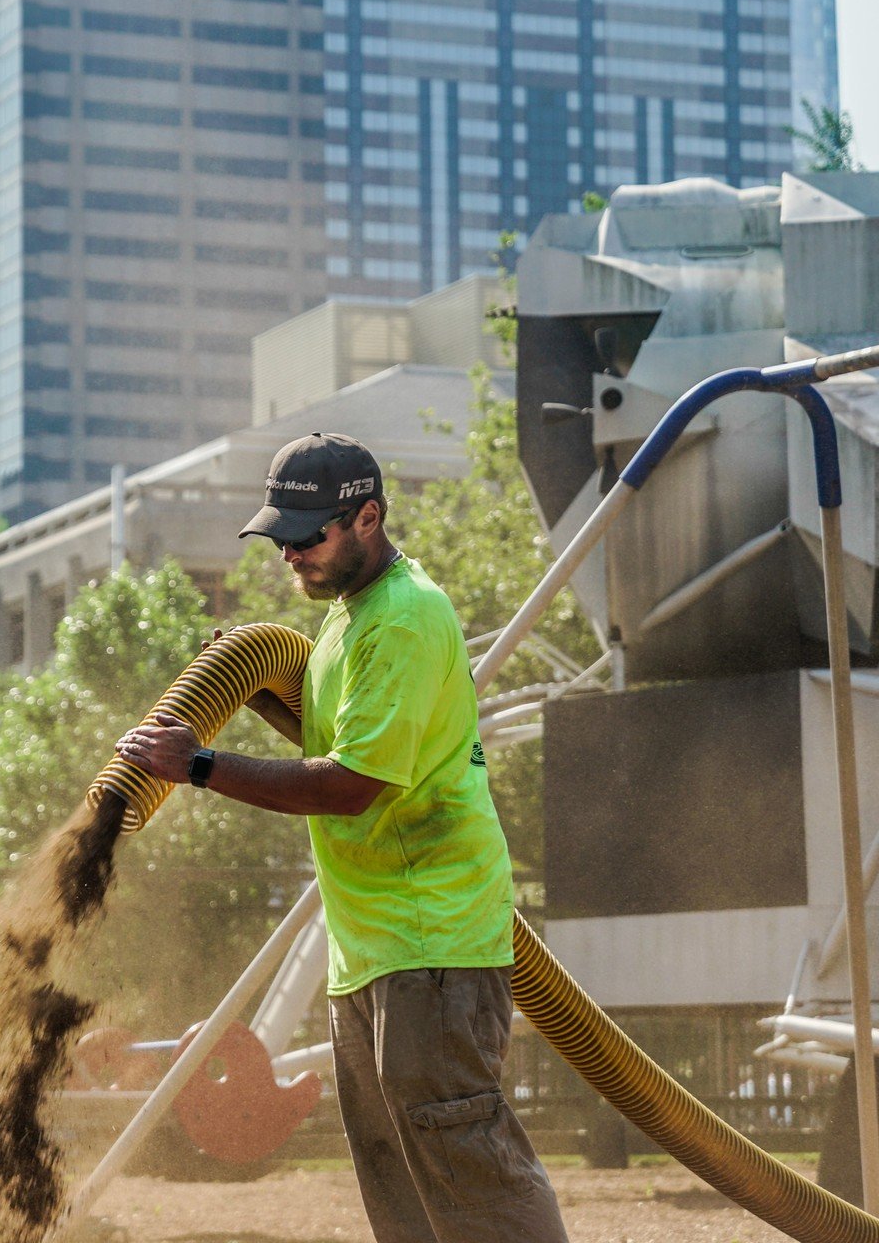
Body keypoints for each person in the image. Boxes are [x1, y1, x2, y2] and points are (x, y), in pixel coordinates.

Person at [115, 431, 569, 1243]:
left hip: (432, 944)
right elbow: (337, 747)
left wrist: (201, 765)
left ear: (368, 517)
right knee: (403, 1190)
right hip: (373, 949)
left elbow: (352, 786)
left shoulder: (401, 618)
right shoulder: (343, 621)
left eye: (306, 536)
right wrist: (248, 689)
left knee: (470, 1174)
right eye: (279, 538)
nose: (289, 554)